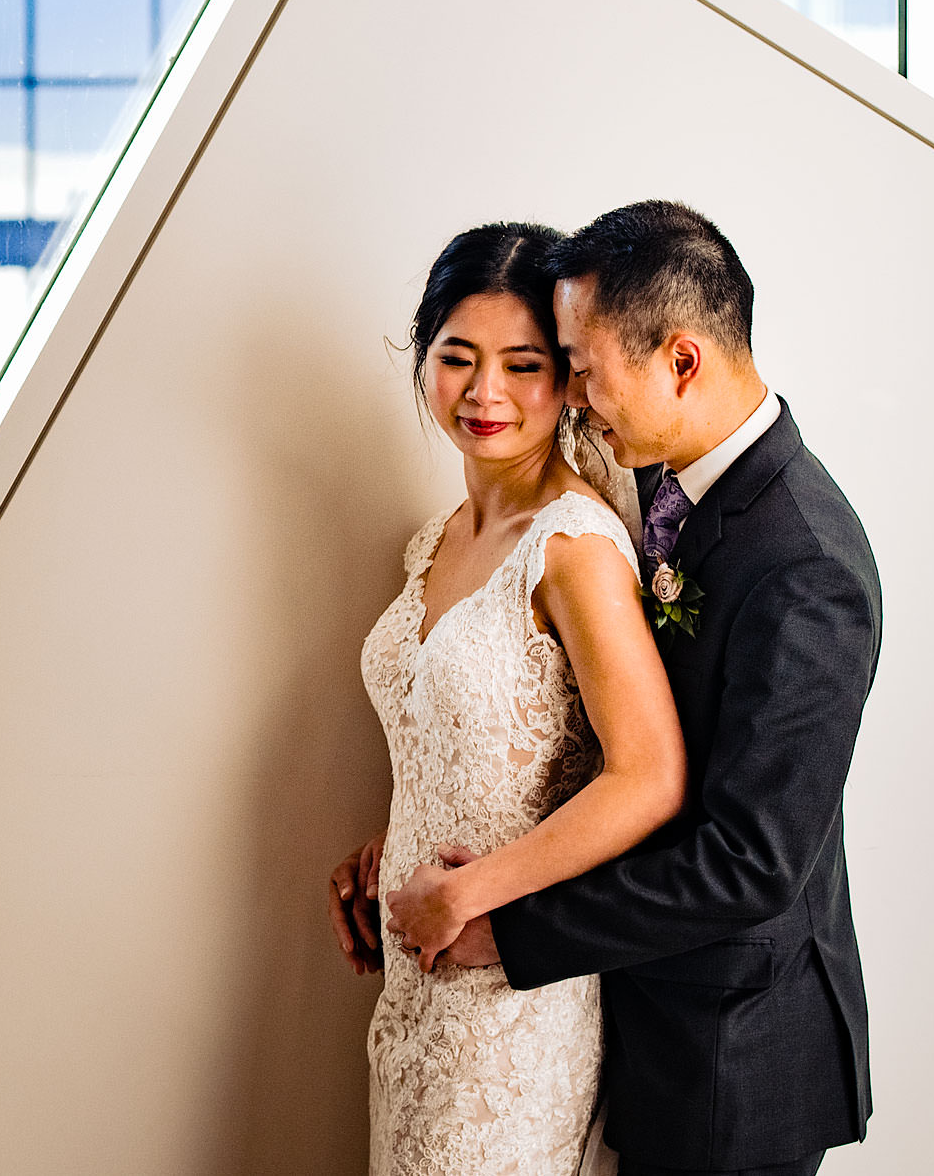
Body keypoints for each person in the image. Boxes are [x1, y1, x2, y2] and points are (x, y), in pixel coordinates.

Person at [380, 202, 880, 1176]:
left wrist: (506, 929)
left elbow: (750, 863)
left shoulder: (807, 564)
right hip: (624, 1012)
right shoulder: (655, 478)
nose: (570, 396)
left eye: (582, 367)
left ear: (680, 363)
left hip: (730, 1055)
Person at [330, 222, 687, 1175]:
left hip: (509, 1004)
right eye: (458, 357)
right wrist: (389, 849)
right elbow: (470, 744)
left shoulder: (572, 546)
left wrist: (468, 892)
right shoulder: (434, 538)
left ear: (569, 381)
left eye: (523, 364)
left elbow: (648, 775)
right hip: (413, 998)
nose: (485, 393)